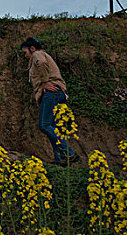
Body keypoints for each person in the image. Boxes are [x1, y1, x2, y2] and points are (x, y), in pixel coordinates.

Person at [20, 37, 79, 166]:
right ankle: (60, 159)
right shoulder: (42, 54)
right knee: (53, 128)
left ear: (32, 48)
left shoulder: (38, 54)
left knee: (44, 125)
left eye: (25, 52)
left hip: (52, 93)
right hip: (57, 93)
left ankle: (69, 152)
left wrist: (45, 82)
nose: (25, 56)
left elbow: (40, 63)